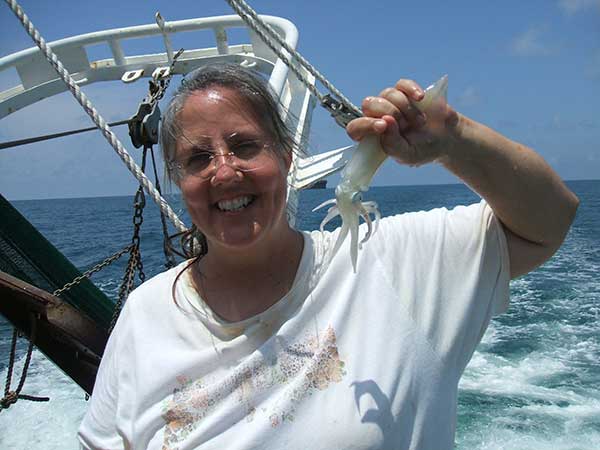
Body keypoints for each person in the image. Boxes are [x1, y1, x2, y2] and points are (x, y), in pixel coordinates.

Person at [78, 63, 578, 450]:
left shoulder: (395, 262)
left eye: (244, 146)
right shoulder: (145, 315)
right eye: (198, 158)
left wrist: (453, 139)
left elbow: (549, 220)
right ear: (179, 182)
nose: (224, 172)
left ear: (286, 156)